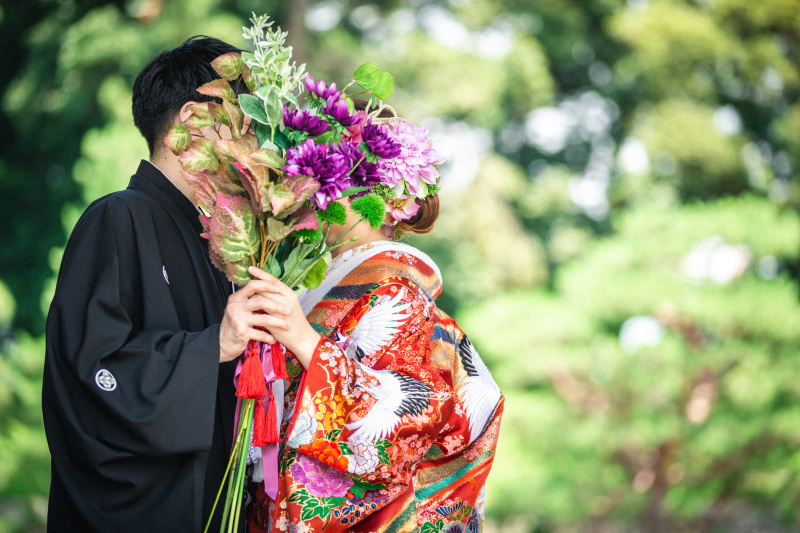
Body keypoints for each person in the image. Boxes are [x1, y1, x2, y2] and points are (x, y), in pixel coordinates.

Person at [42, 36, 285, 532]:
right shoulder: (116, 218)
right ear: (192, 121)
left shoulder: (215, 239)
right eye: (244, 122)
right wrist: (211, 346)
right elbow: (88, 375)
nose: (255, 143)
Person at [244, 115, 505, 531]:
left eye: (329, 175)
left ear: (384, 200)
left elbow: (405, 421)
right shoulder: (324, 273)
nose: (310, 189)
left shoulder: (396, 288)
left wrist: (302, 340)